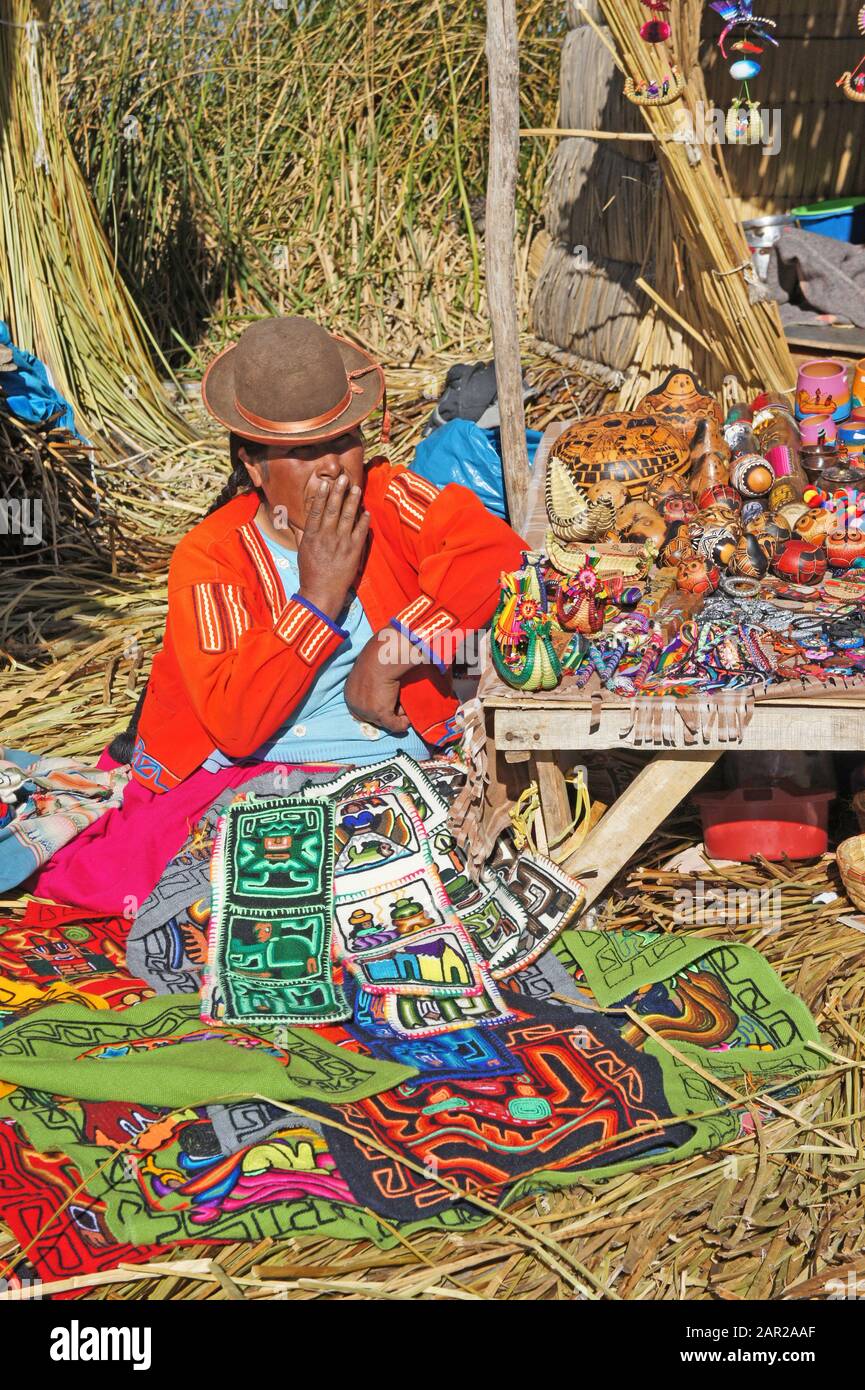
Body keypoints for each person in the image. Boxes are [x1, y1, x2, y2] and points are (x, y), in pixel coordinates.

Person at [31, 316, 524, 912]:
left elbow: (498, 558)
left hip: (390, 775)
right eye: (304, 452)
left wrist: (393, 650)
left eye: (345, 440)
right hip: (252, 780)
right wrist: (319, 598)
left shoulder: (390, 500)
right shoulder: (213, 556)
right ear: (255, 466)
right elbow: (237, 722)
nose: (333, 467)